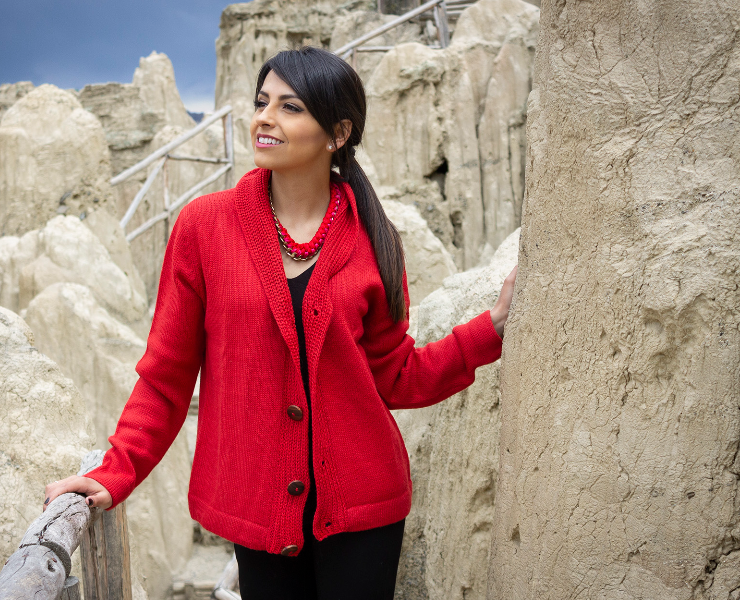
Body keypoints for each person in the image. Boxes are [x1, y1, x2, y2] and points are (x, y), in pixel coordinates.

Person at [43, 46, 517, 599]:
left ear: (337, 133)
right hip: (262, 511)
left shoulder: (376, 238)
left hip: (365, 506)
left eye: (290, 107)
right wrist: (115, 469)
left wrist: (491, 331)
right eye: (261, 102)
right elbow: (166, 374)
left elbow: (396, 376)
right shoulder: (204, 228)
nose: (265, 118)